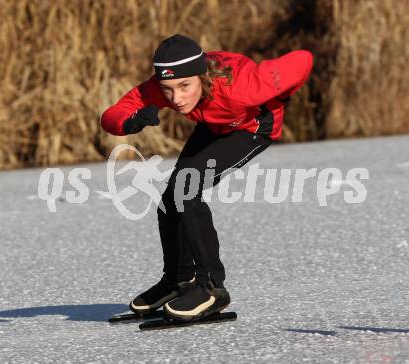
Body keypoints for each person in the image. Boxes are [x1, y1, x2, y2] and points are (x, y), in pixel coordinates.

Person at [101, 34, 313, 321]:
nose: (176, 98)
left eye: (184, 86)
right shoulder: (165, 87)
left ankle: (212, 288)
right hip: (215, 124)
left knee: (185, 190)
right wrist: (129, 121)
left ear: (201, 76)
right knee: (170, 199)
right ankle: (178, 281)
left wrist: (281, 94)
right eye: (167, 89)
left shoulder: (244, 87)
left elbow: (303, 59)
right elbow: (112, 115)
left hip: (252, 128)